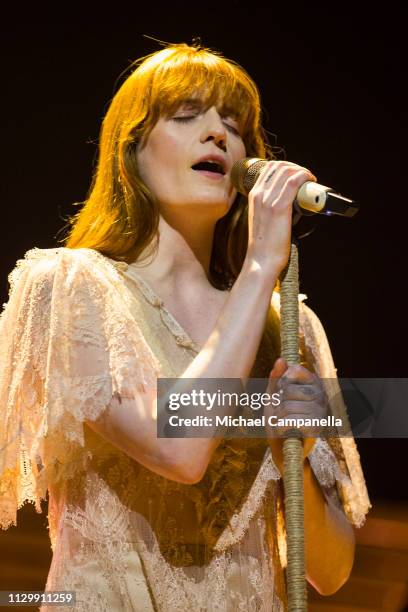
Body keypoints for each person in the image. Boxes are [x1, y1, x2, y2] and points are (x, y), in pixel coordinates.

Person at [0, 43, 370, 611]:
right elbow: (179, 453)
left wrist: (293, 456)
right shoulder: (71, 287)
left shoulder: (288, 327)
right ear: (131, 152)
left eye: (235, 125)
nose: (219, 135)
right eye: (187, 116)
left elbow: (332, 571)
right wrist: (258, 265)